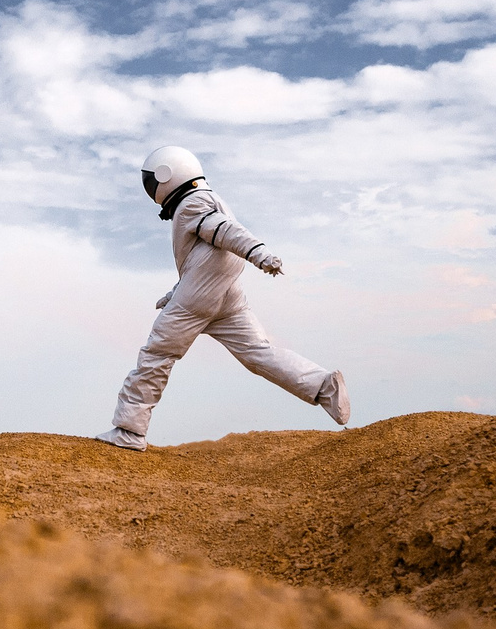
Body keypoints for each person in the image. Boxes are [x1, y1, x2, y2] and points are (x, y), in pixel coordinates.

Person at [95, 145, 350, 450]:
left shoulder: (192, 203)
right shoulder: (210, 199)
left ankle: (129, 431)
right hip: (227, 295)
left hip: (198, 300)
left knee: (157, 354)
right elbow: (203, 257)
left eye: (152, 181)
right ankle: (323, 386)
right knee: (258, 352)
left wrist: (259, 253)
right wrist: (174, 292)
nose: (151, 188)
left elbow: (224, 231)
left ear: (166, 174)